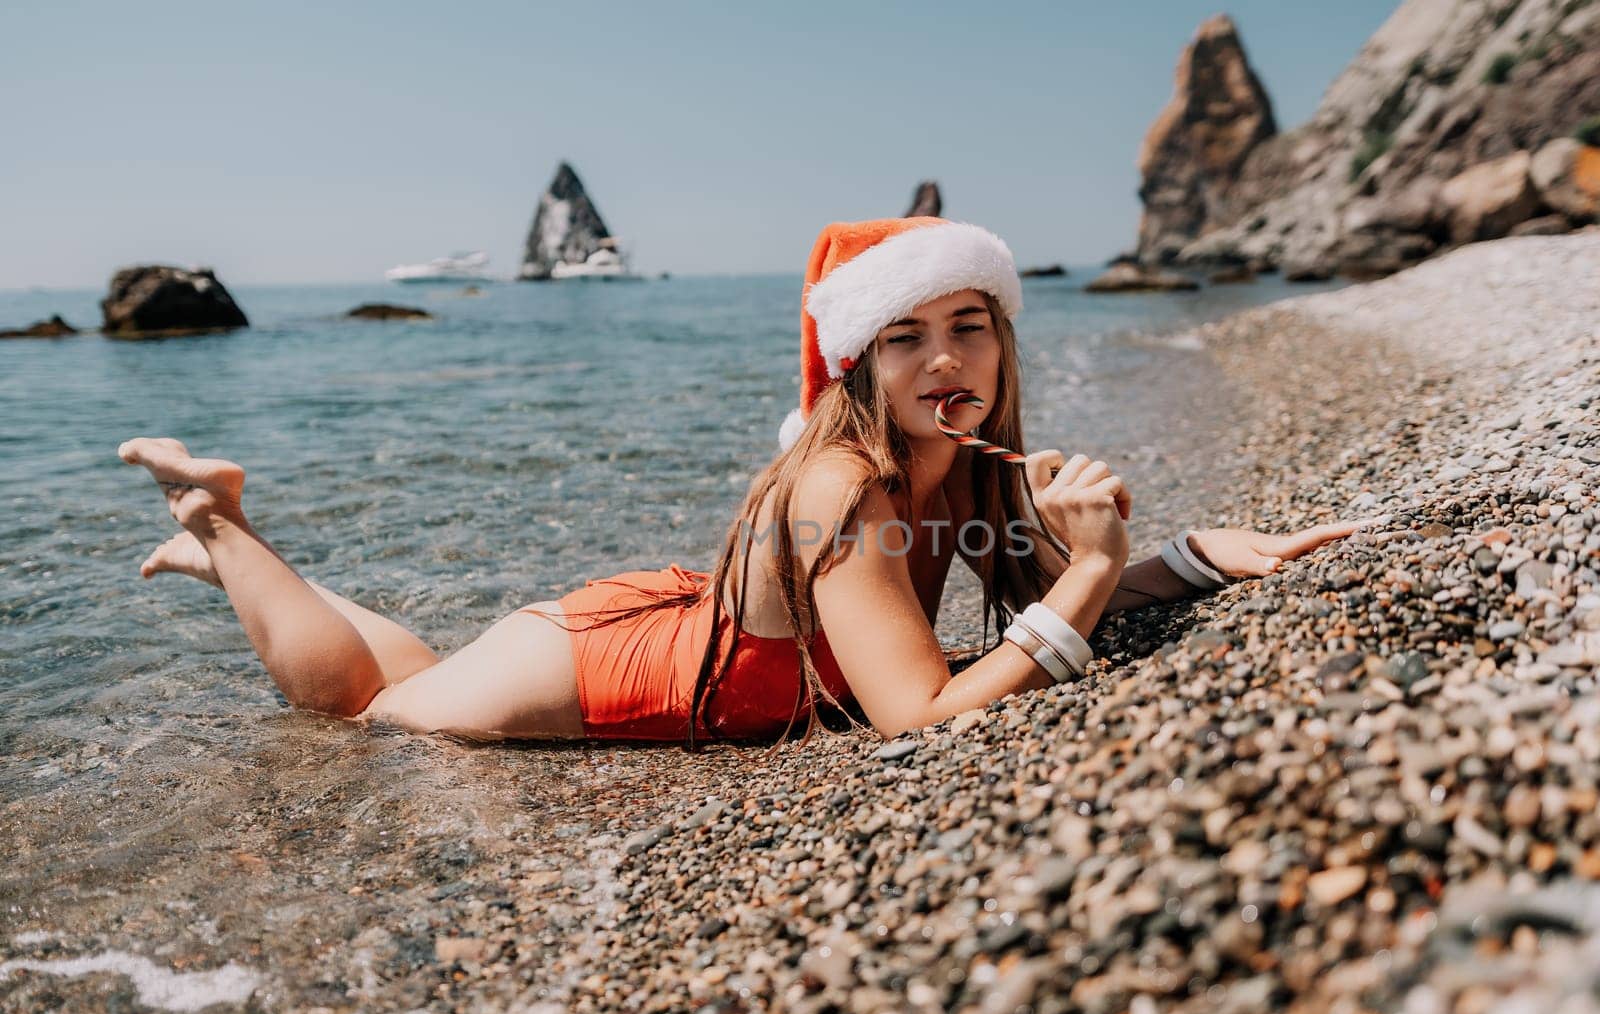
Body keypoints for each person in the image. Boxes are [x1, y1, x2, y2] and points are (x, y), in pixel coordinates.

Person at [119, 217, 1361, 746]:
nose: (947, 359)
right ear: (861, 361)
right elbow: (919, 716)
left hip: (674, 624)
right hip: (612, 668)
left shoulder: (965, 466)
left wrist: (1190, 561)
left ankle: (241, 539)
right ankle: (221, 527)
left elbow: (1038, 602)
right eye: (907, 335)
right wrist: (1093, 569)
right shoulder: (848, 490)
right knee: (360, 716)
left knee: (408, 673)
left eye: (972, 325)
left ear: (1004, 338)